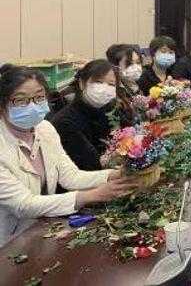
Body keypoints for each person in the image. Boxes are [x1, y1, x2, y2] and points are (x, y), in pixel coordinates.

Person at [0, 65, 139, 245]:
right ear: (3, 105)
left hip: (40, 231)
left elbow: (70, 176)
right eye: (21, 100)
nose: (32, 105)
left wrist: (114, 175)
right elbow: (24, 204)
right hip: (7, 242)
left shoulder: (45, 129)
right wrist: (93, 195)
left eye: (39, 97)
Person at [49, 60, 118, 171]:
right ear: (82, 83)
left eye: (111, 84)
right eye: (98, 82)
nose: (104, 89)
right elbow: (92, 163)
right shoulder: (64, 121)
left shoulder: (110, 110)